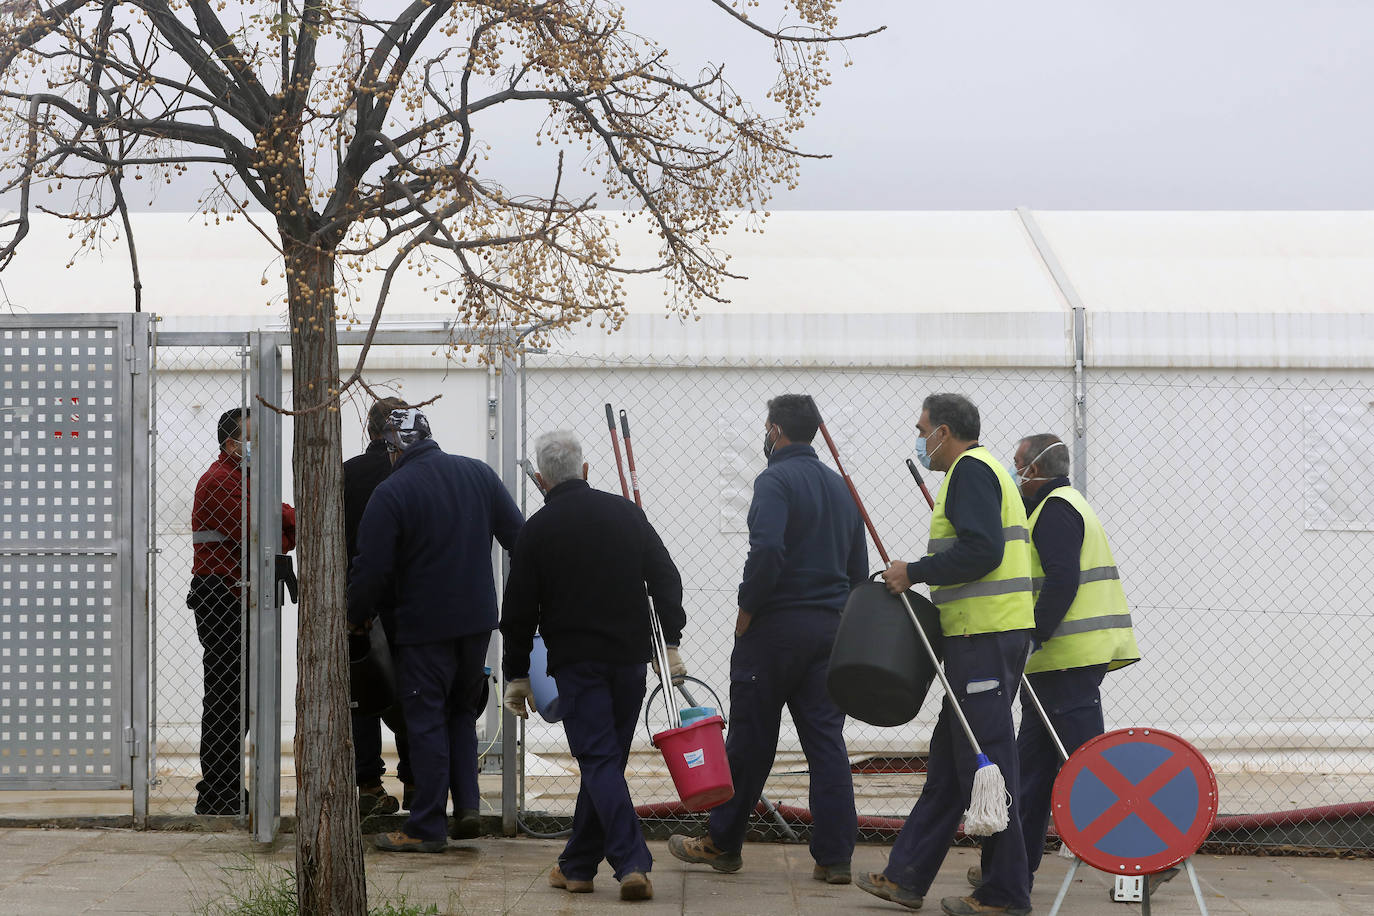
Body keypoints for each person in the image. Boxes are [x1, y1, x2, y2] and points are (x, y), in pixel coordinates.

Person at [669, 394, 866, 885]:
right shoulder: (842, 488)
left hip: (776, 628)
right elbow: (858, 570)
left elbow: (768, 550)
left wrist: (747, 610)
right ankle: (835, 857)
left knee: (751, 740)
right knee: (826, 742)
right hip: (830, 630)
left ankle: (722, 843)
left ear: (776, 431)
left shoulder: (773, 480)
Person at [860, 393, 1035, 916]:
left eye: (923, 428)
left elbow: (983, 551)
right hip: (979, 639)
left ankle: (1005, 894)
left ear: (945, 431)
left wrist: (912, 572)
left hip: (984, 638)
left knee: (989, 769)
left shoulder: (969, 473)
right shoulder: (986, 473)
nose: (920, 438)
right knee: (949, 768)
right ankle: (905, 876)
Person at [500, 430, 686, 902]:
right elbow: (666, 577)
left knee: (599, 761)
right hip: (629, 661)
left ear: (540, 479)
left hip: (577, 665)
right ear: (585, 470)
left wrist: (517, 674)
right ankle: (578, 865)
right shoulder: (627, 514)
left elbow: (518, 610)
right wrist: (670, 640)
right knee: (606, 762)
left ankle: (633, 863)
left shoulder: (536, 531)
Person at [965, 434, 1151, 897]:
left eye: (1016, 465)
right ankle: (1010, 874)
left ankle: (1148, 859)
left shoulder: (1056, 511)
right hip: (1060, 666)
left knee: (1093, 774)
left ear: (1033, 470)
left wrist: (1032, 637)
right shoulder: (1063, 505)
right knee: (1030, 776)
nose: (1013, 473)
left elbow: (1062, 581)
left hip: (1067, 662)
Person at [348, 407, 523, 852]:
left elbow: (372, 570)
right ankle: (467, 809)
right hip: (478, 622)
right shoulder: (478, 475)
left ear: (393, 447)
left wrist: (355, 614)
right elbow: (520, 538)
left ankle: (425, 825)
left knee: (424, 719)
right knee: (461, 712)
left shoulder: (392, 492)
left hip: (424, 626)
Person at [187, 407, 296, 816]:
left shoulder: (245, 480)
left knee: (238, 695)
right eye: (251, 438)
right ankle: (218, 792)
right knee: (226, 696)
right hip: (221, 598)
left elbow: (281, 529)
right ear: (231, 444)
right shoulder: (219, 482)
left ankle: (225, 788)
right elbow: (262, 530)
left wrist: (280, 524)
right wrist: (281, 524)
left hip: (238, 595)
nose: (259, 446)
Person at [343, 396, 412, 817]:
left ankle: (368, 784)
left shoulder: (346, 474)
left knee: (363, 695)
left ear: (369, 429)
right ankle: (418, 783)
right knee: (413, 691)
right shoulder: (412, 472)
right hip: (409, 599)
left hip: (358, 601)